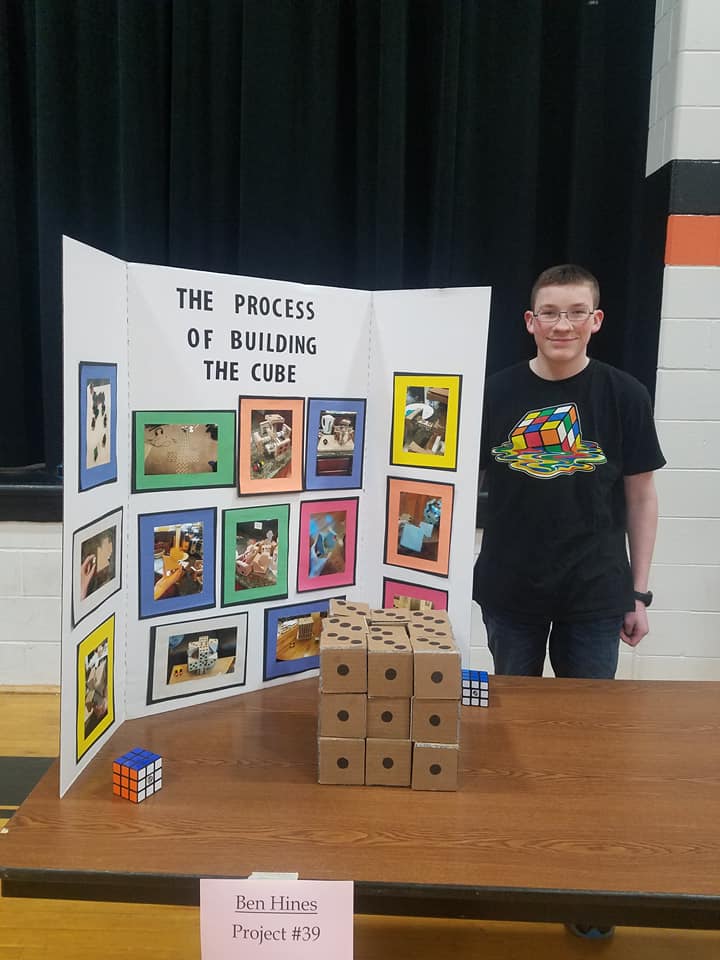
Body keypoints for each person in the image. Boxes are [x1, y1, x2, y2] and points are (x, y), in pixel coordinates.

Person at [473, 264, 665, 681]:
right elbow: (461, 485)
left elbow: (642, 496)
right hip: (509, 587)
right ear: (531, 321)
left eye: (577, 312)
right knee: (513, 718)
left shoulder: (626, 395)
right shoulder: (492, 393)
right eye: (550, 312)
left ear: (596, 320)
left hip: (595, 591)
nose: (562, 325)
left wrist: (638, 594)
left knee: (587, 723)